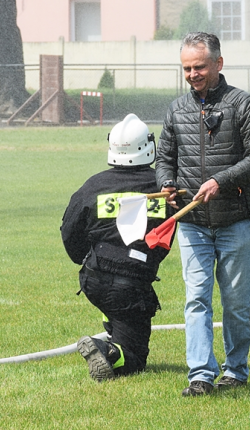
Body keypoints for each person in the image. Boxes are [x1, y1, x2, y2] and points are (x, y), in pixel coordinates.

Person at [156, 32, 250, 396]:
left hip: (234, 220)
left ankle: (236, 370)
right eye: (187, 68)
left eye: (199, 66)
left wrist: (220, 180)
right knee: (196, 298)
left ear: (218, 64)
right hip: (191, 224)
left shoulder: (243, 104)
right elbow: (164, 158)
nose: (192, 74)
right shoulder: (176, 110)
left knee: (236, 303)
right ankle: (201, 375)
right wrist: (166, 183)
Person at [61, 113, 173, 382]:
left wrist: (85, 259)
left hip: (94, 277)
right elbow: (165, 239)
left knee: (115, 305)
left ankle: (112, 331)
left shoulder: (93, 186)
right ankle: (107, 350)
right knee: (134, 359)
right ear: (149, 146)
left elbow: (69, 231)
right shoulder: (164, 188)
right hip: (131, 284)